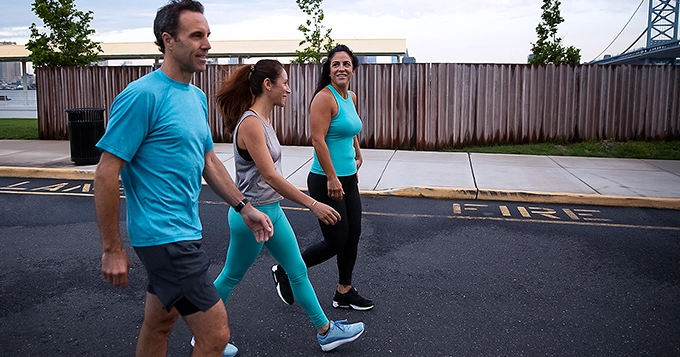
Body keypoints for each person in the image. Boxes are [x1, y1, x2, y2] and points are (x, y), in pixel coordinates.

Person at [93, 1, 273, 357]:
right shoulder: (142, 95)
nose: (206, 44)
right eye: (196, 35)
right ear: (168, 40)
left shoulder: (196, 97)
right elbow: (106, 172)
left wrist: (243, 206)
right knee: (216, 334)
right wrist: (112, 249)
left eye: (207, 35)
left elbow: (208, 160)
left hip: (183, 230)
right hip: (163, 237)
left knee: (159, 323)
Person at [211, 59, 365, 352]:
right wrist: (313, 204)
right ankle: (204, 333)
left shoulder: (264, 120)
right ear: (268, 85)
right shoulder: (252, 123)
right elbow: (269, 175)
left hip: (272, 212)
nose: (289, 90)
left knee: (296, 271)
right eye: (285, 83)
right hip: (252, 215)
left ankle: (325, 331)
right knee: (230, 276)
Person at [272, 44, 373, 311]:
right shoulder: (323, 98)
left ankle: (344, 291)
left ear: (353, 69)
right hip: (326, 180)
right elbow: (317, 139)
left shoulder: (350, 97)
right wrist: (332, 177)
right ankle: (286, 271)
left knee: (353, 235)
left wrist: (358, 152)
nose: (341, 68)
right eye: (336, 64)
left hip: (348, 178)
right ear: (329, 70)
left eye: (346, 64)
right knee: (336, 240)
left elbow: (351, 129)